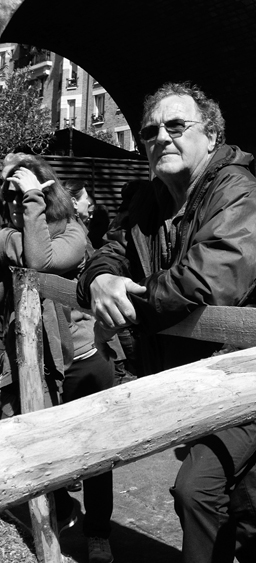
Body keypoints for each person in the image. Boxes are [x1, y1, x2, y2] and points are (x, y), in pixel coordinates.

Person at [77, 82, 256, 563]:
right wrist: (100, 282)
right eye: (149, 131)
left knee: (196, 491)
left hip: (247, 372)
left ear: (211, 136)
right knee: (248, 509)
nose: (160, 137)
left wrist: (127, 309)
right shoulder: (150, 198)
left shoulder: (238, 190)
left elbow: (208, 281)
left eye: (176, 126)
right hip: (191, 378)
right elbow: (110, 252)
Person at [0, 155, 115, 563]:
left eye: (25, 197)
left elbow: (39, 262)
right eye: (9, 197)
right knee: (43, 450)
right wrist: (24, 216)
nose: (16, 205)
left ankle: (99, 532)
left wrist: (31, 198)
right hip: (38, 367)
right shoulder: (11, 233)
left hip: (83, 362)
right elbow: (24, 250)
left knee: (97, 456)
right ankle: (61, 513)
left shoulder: (74, 233)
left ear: (46, 194)